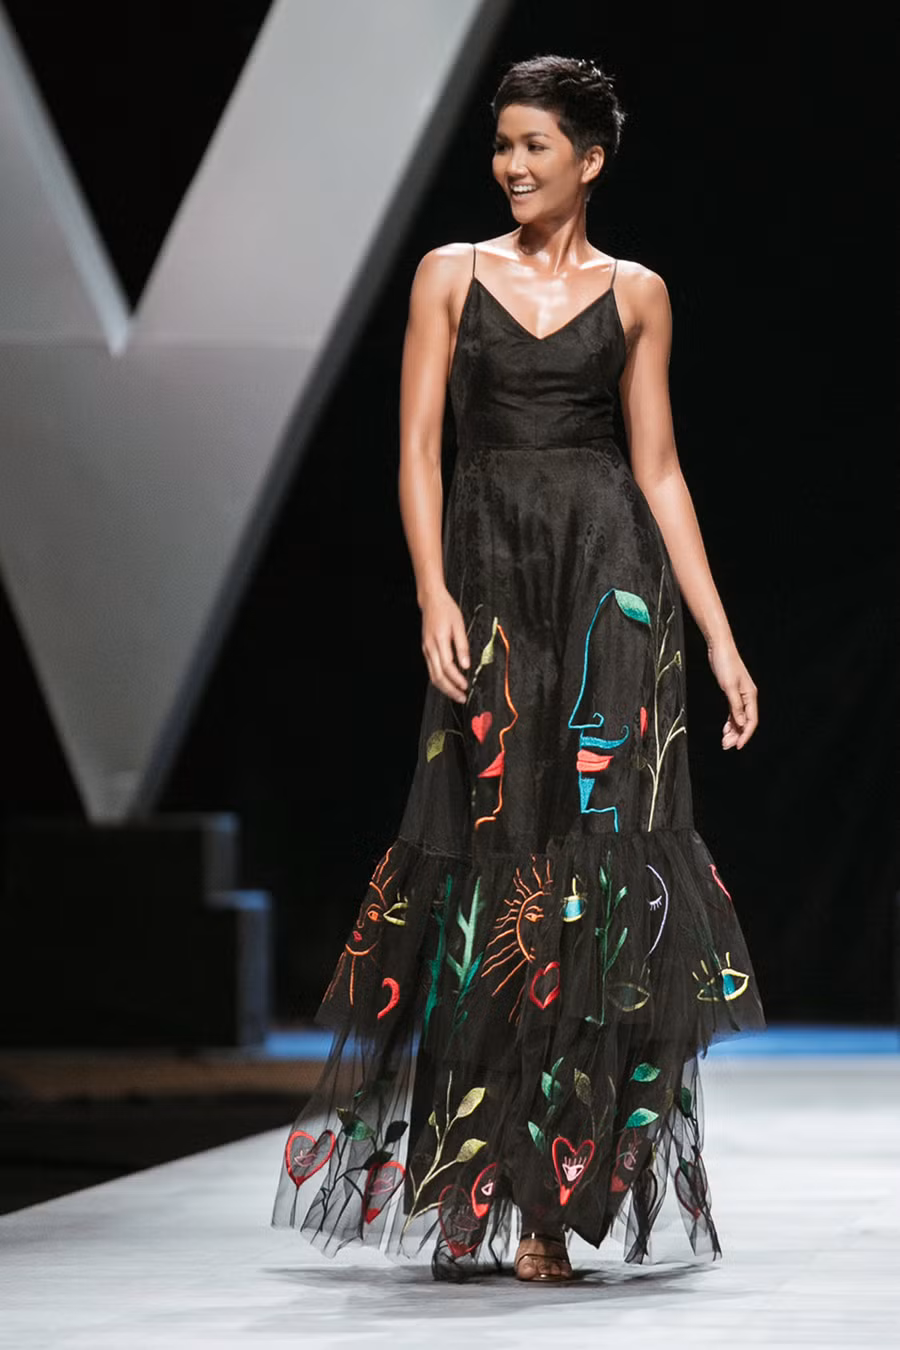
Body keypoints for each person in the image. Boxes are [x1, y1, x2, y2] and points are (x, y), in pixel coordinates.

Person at [272, 53, 766, 1284]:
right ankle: (474, 1184)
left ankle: (551, 1205)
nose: (512, 164)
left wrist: (717, 636)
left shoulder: (638, 294)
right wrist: (432, 591)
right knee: (491, 883)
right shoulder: (450, 273)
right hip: (492, 583)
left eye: (536, 144)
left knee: (593, 885)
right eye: (502, 144)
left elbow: (660, 471)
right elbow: (418, 450)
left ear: (590, 160)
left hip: (611, 594)